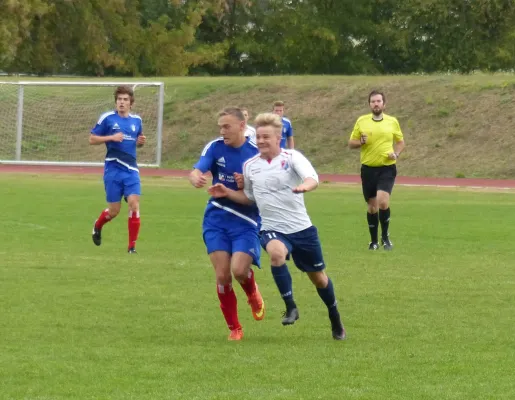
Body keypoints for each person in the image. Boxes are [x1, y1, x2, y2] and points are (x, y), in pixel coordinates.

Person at [208, 113, 346, 341]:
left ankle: (334, 317)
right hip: (272, 228)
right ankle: (290, 306)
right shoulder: (250, 166)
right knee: (276, 253)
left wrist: (304, 187)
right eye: (259, 137)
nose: (261, 141)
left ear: (278, 137)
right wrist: (229, 192)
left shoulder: (292, 158)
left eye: (266, 137)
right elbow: (250, 198)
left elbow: (313, 178)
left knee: (319, 278)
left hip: (301, 229)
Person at [189, 107, 265, 341]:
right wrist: (196, 177)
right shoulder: (215, 147)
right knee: (223, 275)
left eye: (227, 126)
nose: (222, 131)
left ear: (242, 126)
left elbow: (263, 192)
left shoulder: (256, 154)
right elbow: (198, 168)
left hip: (246, 220)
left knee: (240, 270)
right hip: (217, 218)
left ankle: (252, 291)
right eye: (220, 126)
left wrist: (247, 184)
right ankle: (235, 327)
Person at [89, 85, 146, 253]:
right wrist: (111, 137)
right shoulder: (107, 118)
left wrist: (140, 143)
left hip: (131, 170)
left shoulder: (137, 120)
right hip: (113, 170)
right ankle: (98, 225)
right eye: (119, 99)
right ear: (116, 102)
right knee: (114, 211)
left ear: (131, 103)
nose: (122, 102)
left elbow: (137, 142)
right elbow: (92, 139)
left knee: (134, 205)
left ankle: (131, 247)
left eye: (125, 100)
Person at [348, 90, 405, 251]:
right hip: (368, 169)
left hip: (387, 167)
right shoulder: (362, 121)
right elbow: (351, 143)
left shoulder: (392, 122)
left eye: (379, 101)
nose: (376, 104)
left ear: (384, 104)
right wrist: (360, 142)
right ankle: (373, 241)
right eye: (373, 101)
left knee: (383, 201)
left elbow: (400, 142)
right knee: (372, 206)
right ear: (369, 104)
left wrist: (396, 153)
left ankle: (385, 237)